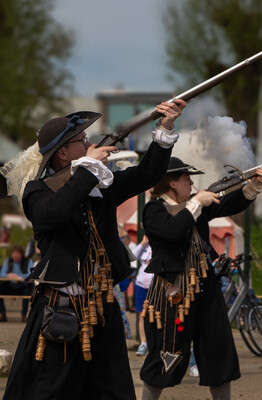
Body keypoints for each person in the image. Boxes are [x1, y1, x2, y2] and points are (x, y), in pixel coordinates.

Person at [2, 99, 186, 400]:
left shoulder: (100, 186)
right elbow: (55, 213)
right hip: (60, 310)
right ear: (63, 153)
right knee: (51, 391)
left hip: (102, 308)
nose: (89, 143)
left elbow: (148, 174)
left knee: (113, 391)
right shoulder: (37, 192)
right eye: (81, 141)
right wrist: (88, 169)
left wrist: (164, 129)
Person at [139, 157, 262, 400]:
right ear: (171, 183)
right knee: (165, 354)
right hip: (172, 292)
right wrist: (195, 204)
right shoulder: (153, 210)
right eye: (185, 179)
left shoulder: (195, 205)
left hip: (206, 286)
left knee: (218, 351)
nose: (191, 183)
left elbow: (229, 204)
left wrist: (253, 185)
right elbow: (172, 230)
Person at [0, 244, 33, 322]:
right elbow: (2, 273)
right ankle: (3, 314)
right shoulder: (9, 261)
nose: (15, 255)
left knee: (26, 291)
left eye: (17, 253)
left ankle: (23, 315)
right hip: (10, 285)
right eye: (13, 253)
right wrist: (8, 275)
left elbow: (30, 274)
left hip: (22, 285)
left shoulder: (28, 261)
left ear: (21, 254)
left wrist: (18, 276)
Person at [132, 234, 153, 356]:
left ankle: (153, 343)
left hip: (154, 285)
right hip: (141, 284)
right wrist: (143, 243)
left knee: (155, 314)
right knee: (142, 315)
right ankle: (143, 343)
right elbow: (133, 256)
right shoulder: (144, 245)